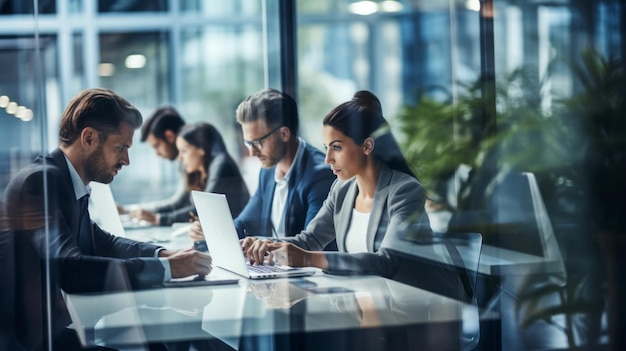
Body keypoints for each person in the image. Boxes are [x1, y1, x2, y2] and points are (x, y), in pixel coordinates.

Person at [2, 88, 212, 351]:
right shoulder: (42, 181)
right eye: (121, 147)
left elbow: (103, 242)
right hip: (37, 342)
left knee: (159, 340)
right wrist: (170, 269)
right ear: (88, 138)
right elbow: (69, 268)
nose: (127, 160)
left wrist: (164, 254)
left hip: (61, 329)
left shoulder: (63, 180)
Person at [241, 90, 432, 279]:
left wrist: (308, 259)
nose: (328, 159)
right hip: (362, 298)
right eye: (327, 148)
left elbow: (387, 262)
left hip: (408, 304)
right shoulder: (342, 190)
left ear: (367, 146)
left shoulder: (405, 191)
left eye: (337, 147)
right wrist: (264, 244)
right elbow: (309, 241)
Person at [189, 88, 336, 249]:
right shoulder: (268, 171)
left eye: (257, 143)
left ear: (284, 134)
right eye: (248, 143)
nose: (252, 152)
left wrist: (262, 243)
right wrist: (212, 231)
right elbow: (243, 223)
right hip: (277, 266)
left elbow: (312, 244)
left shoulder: (319, 175)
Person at [119, 106, 192, 226]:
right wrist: (129, 210)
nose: (157, 153)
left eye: (157, 145)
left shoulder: (193, 163)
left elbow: (179, 204)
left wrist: (156, 218)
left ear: (169, 136)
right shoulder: (185, 162)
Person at [175, 121, 250, 219]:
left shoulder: (222, 165)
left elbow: (202, 208)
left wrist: (159, 218)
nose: (179, 158)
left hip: (238, 232)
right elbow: (180, 204)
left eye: (184, 151)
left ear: (201, 149)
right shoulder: (198, 174)